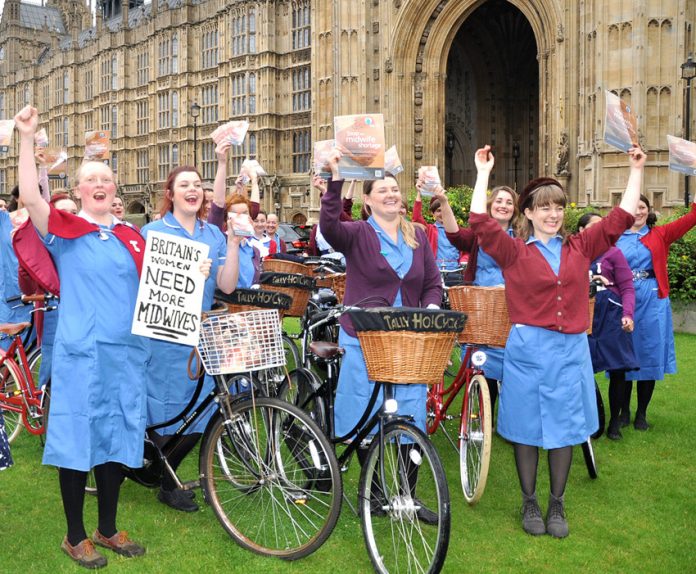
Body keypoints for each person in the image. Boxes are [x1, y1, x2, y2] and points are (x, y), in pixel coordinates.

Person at [467, 143, 645, 538]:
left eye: (558, 207)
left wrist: (636, 171)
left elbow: (619, 219)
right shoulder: (513, 253)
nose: (552, 214)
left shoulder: (580, 247)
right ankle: (529, 500)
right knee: (527, 428)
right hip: (529, 349)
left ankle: (557, 504)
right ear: (527, 213)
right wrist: (482, 173)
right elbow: (479, 222)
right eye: (544, 207)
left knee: (564, 428)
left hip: (569, 351)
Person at [15, 105, 149, 568]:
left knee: (116, 439)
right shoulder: (65, 231)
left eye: (106, 180)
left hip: (126, 356)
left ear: (115, 191)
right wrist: (26, 140)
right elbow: (31, 198)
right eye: (91, 179)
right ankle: (75, 535)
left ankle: (107, 528)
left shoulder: (135, 237)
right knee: (76, 440)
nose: (99, 185)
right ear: (77, 191)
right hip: (81, 354)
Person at [320, 149, 442, 523]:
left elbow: (433, 284)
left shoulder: (417, 236)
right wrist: (335, 180)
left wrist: (432, 310)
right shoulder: (357, 234)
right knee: (366, 418)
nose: (391, 194)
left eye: (394, 189)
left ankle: (408, 495)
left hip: (408, 343)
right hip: (365, 340)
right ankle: (373, 495)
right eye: (382, 190)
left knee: (411, 420)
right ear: (369, 201)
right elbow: (328, 227)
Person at [142, 165, 239, 512]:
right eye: (184, 184)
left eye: (198, 184)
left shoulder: (212, 234)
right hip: (166, 334)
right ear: (171, 194)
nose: (193, 189)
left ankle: (161, 470)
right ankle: (167, 482)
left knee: (204, 408)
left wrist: (233, 242)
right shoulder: (152, 231)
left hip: (203, 331)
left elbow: (227, 285)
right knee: (166, 408)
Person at [433, 184, 519, 415]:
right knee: (484, 359)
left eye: (509, 202)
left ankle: (511, 416)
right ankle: (484, 413)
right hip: (483, 304)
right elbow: (454, 234)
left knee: (514, 358)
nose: (504, 206)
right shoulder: (478, 235)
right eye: (499, 201)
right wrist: (444, 202)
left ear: (515, 209)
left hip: (514, 304)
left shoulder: (522, 235)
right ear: (490, 206)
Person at [613, 194, 696, 431]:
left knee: (649, 354)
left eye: (643, 207)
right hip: (623, 300)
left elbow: (693, 218)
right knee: (625, 355)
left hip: (653, 300)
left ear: (649, 210)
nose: (638, 211)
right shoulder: (614, 237)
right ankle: (623, 412)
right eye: (634, 207)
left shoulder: (660, 234)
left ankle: (641, 414)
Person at [577, 213, 637, 440]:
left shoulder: (614, 252)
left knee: (618, 368)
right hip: (582, 315)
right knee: (581, 368)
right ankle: (588, 420)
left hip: (611, 315)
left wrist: (627, 314)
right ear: (581, 230)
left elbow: (627, 287)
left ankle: (614, 423)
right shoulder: (572, 251)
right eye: (593, 226)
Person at [412, 182, 462, 282]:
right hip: (436, 272)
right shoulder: (430, 229)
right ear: (433, 213)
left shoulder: (458, 231)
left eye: (444, 209)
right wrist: (419, 193)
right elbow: (416, 218)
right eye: (439, 210)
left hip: (456, 272)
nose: (442, 213)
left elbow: (465, 252)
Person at [308, 176, 354, 256]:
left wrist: (324, 190)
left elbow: (346, 205)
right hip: (325, 263)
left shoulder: (343, 223)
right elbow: (311, 249)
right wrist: (306, 254)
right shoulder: (316, 229)